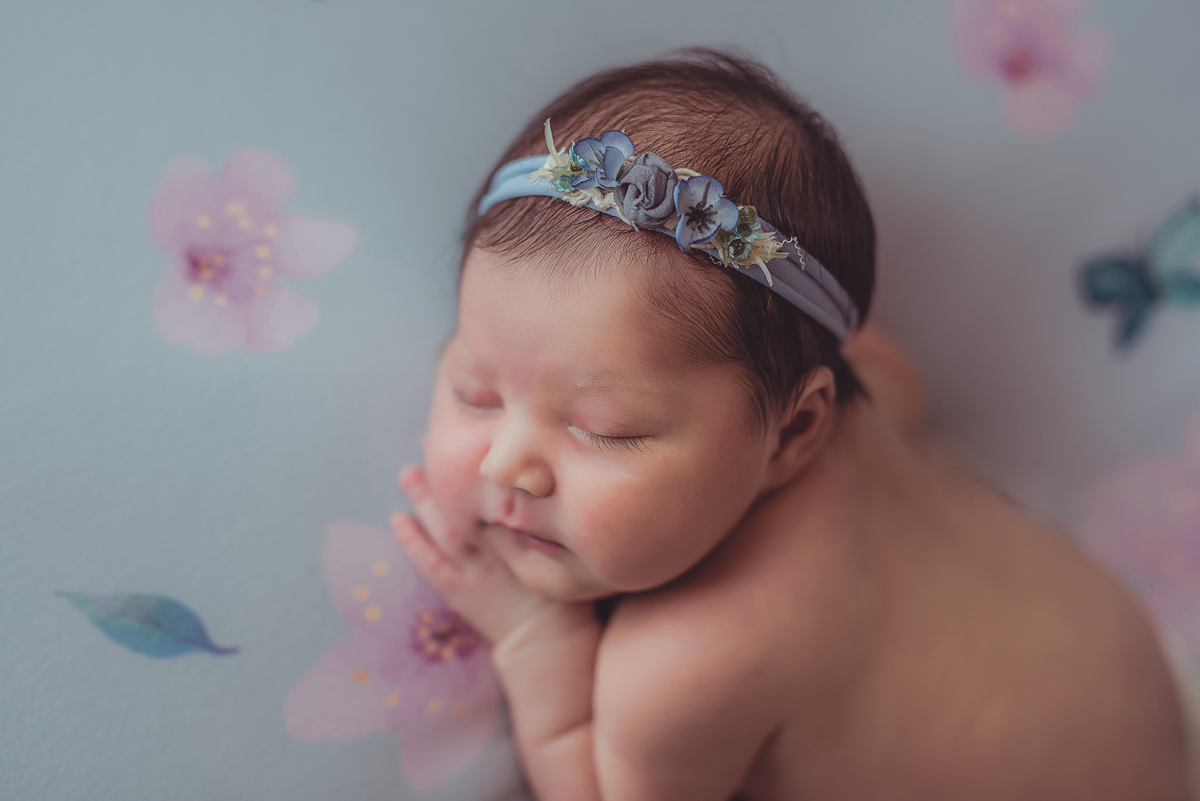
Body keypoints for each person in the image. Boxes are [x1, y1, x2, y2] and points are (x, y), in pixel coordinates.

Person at [390, 50, 1191, 800]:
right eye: (475, 390)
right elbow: (887, 378)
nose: (509, 466)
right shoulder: (871, 384)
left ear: (797, 429)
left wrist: (537, 639)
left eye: (608, 429)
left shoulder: (682, 667)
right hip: (1137, 678)